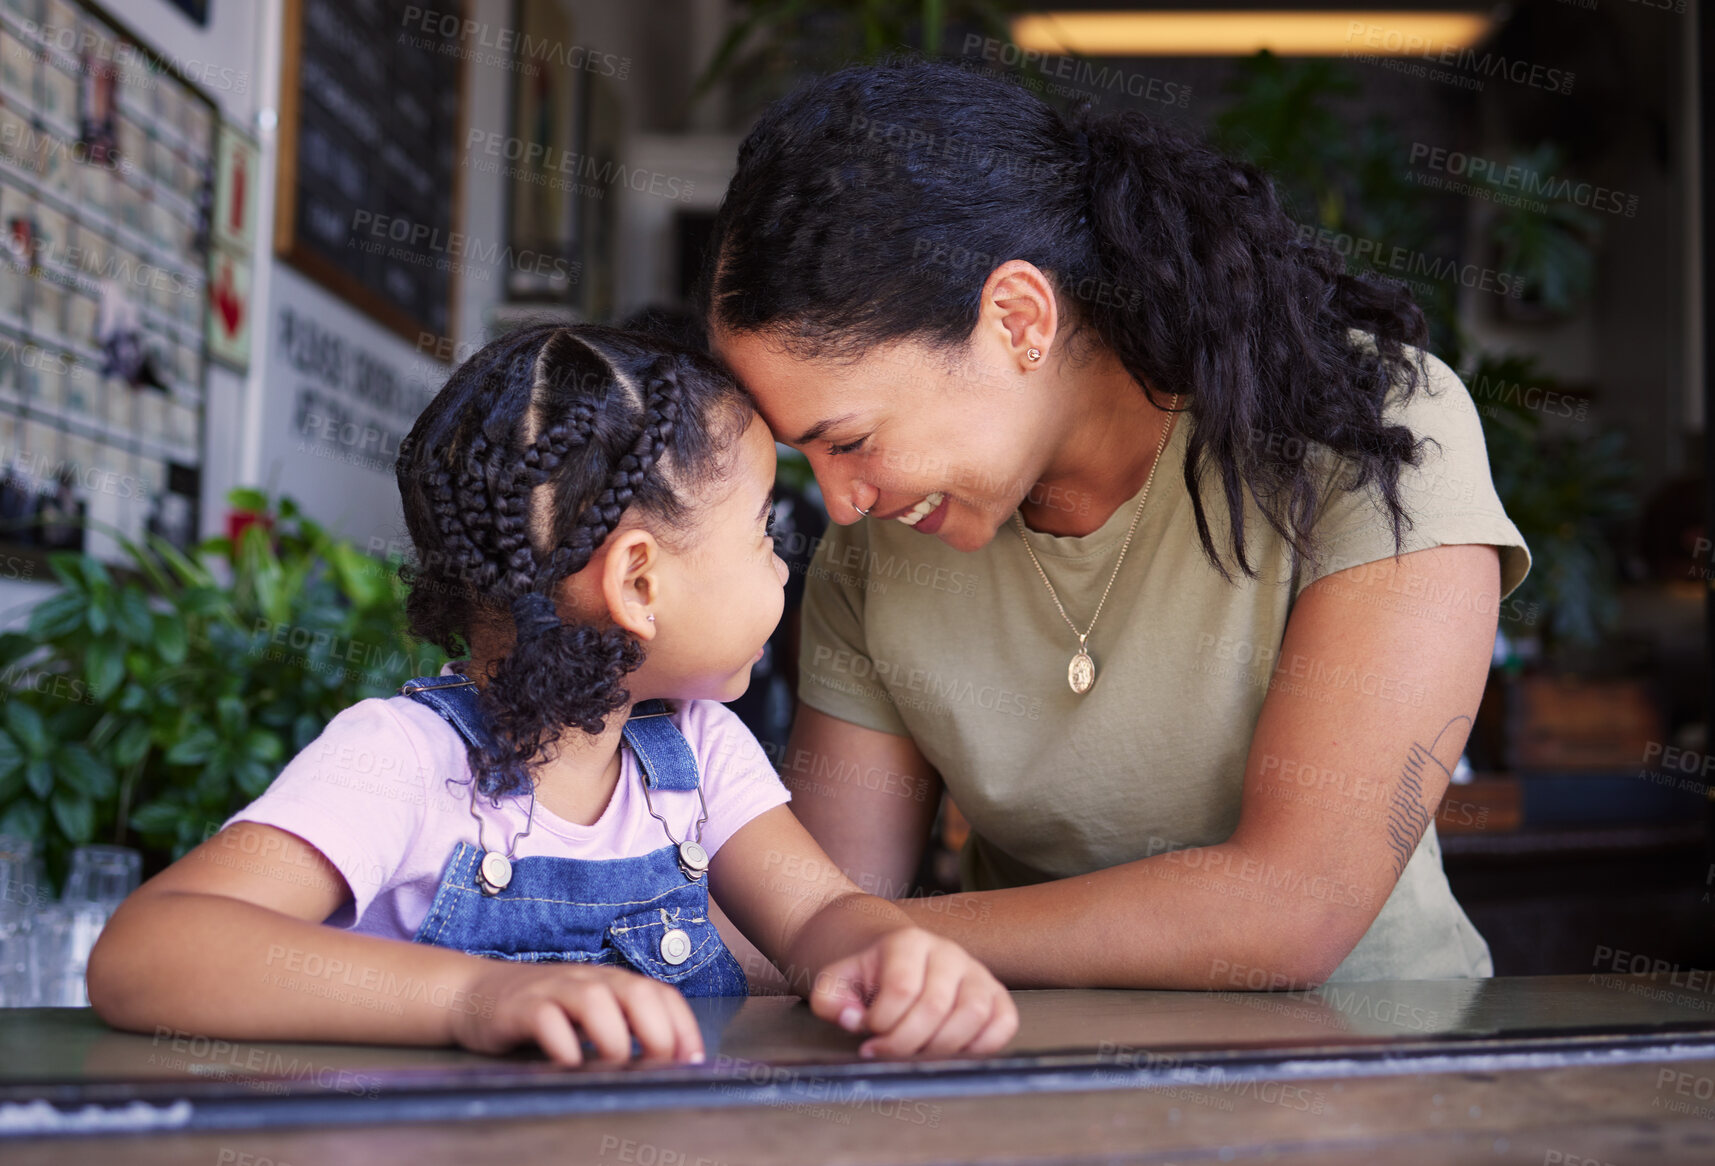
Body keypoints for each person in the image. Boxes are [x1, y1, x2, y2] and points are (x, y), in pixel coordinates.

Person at [701, 61, 1533, 990]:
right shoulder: (883, 533)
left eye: (849, 438)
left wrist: (842, 936)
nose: (840, 498)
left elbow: (1291, 907)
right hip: (1034, 1085)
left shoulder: (1372, 430)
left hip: (1370, 1085)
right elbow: (815, 903)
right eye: (804, 455)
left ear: (1017, 318)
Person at [86, 324, 1016, 1064]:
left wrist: (884, 952)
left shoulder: (698, 756)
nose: (783, 566)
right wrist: (475, 998)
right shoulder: (403, 760)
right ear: (639, 584)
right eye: (763, 533)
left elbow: (815, 917)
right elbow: (149, 954)